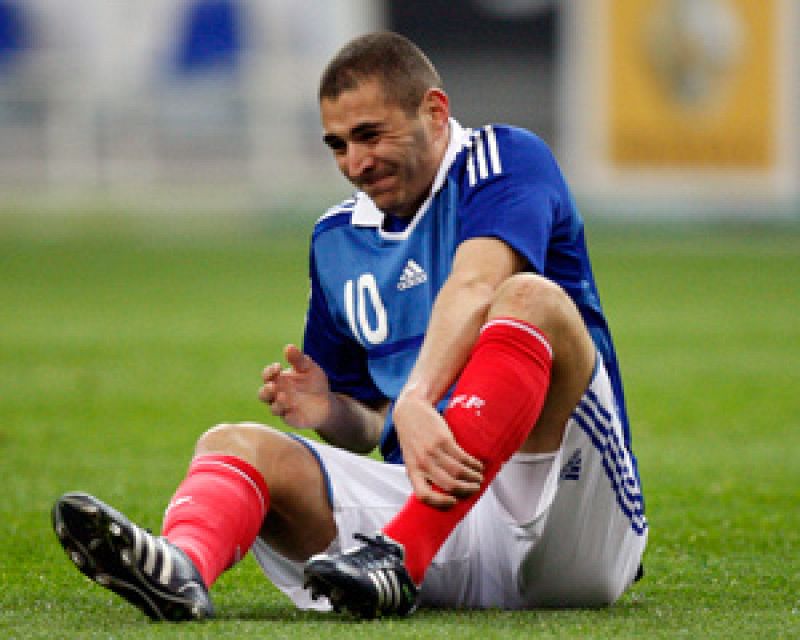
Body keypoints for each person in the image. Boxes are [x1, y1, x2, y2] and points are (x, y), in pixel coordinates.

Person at [52, 31, 647, 621]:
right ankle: (181, 567)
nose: (355, 164)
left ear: (434, 113)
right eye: (337, 145)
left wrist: (416, 398)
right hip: (436, 511)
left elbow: (477, 286)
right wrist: (333, 413)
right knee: (230, 444)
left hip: (562, 515)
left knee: (529, 299)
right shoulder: (336, 239)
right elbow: (371, 425)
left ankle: (400, 556)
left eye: (370, 135)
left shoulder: (502, 159)